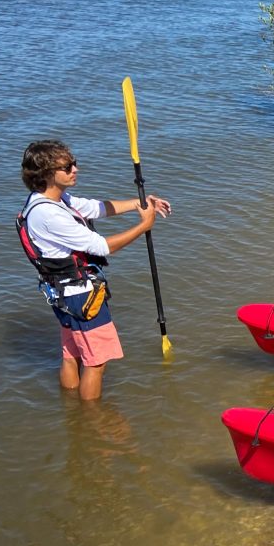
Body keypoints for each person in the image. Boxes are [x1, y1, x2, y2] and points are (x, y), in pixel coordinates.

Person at [18, 140, 171, 400]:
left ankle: (72, 413)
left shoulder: (51, 201)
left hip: (63, 294)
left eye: (73, 162)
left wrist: (141, 202)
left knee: (72, 353)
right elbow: (101, 247)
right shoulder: (50, 215)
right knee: (96, 362)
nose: (75, 169)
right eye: (67, 167)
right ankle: (92, 422)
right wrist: (143, 227)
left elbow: (94, 208)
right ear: (46, 174)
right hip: (80, 295)